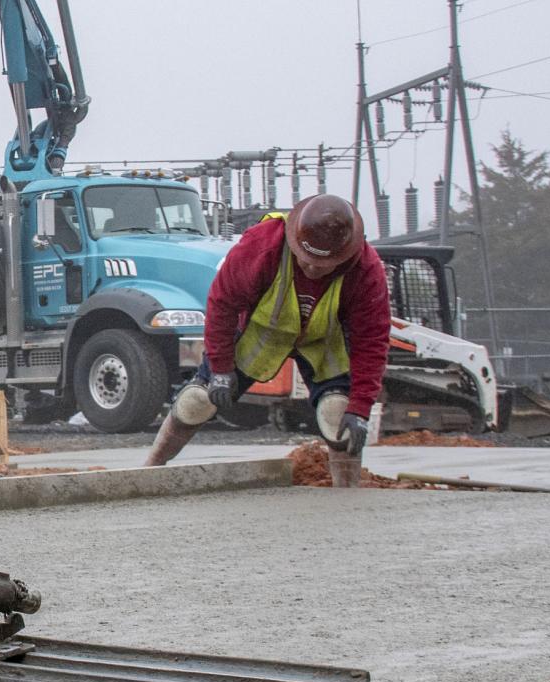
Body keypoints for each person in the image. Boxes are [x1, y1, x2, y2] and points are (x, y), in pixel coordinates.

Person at [145, 194, 391, 486]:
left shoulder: (366, 270)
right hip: (263, 332)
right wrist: (221, 370)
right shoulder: (263, 244)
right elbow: (222, 303)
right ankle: (150, 467)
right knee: (197, 400)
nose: (312, 269)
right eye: (306, 260)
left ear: (344, 255)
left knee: (339, 415)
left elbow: (372, 342)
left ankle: (347, 492)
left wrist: (360, 408)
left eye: (321, 265)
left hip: (324, 340)